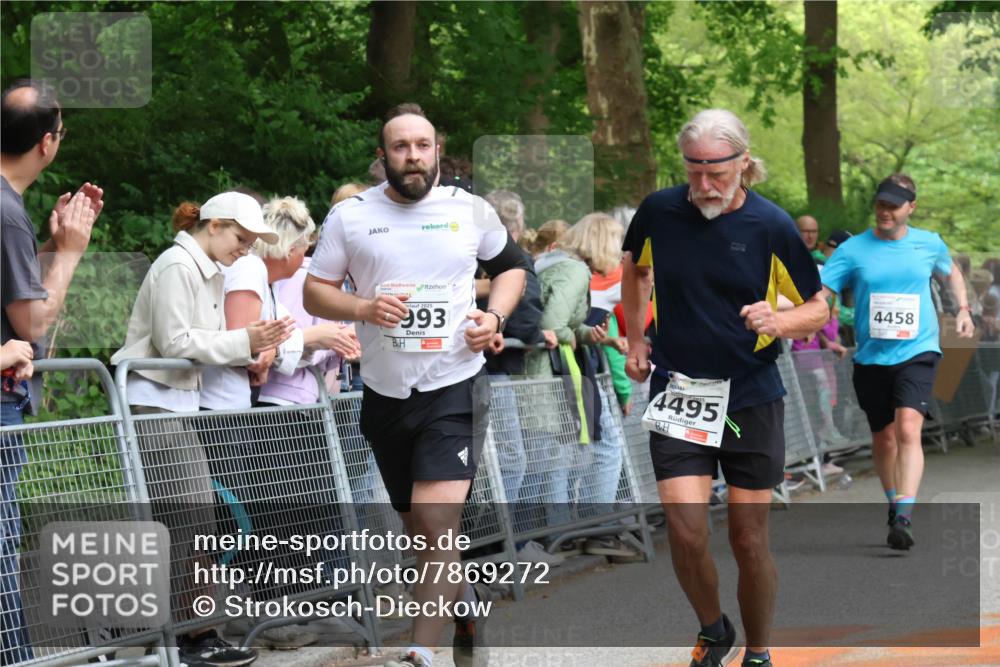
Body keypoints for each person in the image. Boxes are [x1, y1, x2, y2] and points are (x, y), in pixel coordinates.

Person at [303, 102, 529, 667]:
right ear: (383, 156)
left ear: (437, 151)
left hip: (455, 385)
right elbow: (314, 291)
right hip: (385, 392)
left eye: (422, 146)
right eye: (401, 147)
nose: (413, 156)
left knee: (434, 522)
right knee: (417, 532)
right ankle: (463, 605)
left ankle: (420, 651)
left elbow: (513, 268)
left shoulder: (469, 210)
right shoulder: (351, 216)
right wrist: (362, 307)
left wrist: (494, 318)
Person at [620, 109, 828, 667]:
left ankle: (758, 650)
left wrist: (778, 321)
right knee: (685, 529)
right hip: (679, 389)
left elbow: (817, 308)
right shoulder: (659, 211)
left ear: (743, 162)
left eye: (716, 171)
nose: (705, 184)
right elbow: (634, 269)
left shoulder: (771, 225)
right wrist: (636, 339)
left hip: (751, 393)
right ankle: (714, 629)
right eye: (694, 171)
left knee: (747, 537)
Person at [111, 192, 293, 667]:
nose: (245, 249)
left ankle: (168, 633)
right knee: (192, 520)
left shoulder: (202, 267)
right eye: (241, 238)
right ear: (214, 225)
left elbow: (196, 342)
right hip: (155, 402)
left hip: (171, 402)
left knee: (188, 522)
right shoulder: (178, 264)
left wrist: (249, 343)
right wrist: (245, 340)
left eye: (249, 242)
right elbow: (175, 341)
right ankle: (189, 635)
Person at [1, 78, 103, 665]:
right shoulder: (5, 212)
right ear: (47, 143)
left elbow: (11, 294)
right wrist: (70, 253)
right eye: (61, 131)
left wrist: (49, 245)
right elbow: (32, 320)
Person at [820, 174, 975, 551]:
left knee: (907, 429)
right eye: (880, 204)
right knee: (884, 437)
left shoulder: (929, 243)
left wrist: (963, 309)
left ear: (911, 208)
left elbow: (951, 271)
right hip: (872, 356)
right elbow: (822, 293)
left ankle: (904, 515)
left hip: (918, 350)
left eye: (893, 205)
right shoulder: (853, 249)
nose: (885, 211)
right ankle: (894, 502)